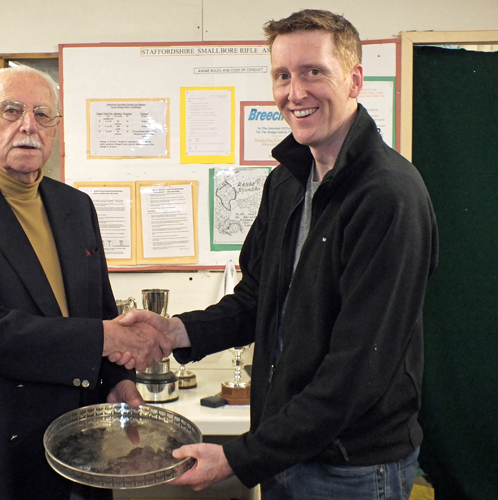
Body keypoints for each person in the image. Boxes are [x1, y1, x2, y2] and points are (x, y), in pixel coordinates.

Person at [117, 9, 439, 500]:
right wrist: (177, 331)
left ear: (354, 80)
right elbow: (256, 299)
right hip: (287, 455)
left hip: (352, 470)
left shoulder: (388, 196)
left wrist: (239, 457)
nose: (295, 92)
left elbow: (357, 371)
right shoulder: (287, 180)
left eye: (313, 72)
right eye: (282, 75)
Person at [0, 65, 171, 500]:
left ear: (55, 128)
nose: (28, 125)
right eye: (11, 111)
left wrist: (117, 381)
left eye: (43, 115)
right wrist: (102, 338)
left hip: (78, 450)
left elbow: (100, 311)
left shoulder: (76, 206)